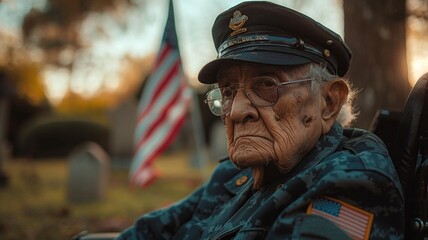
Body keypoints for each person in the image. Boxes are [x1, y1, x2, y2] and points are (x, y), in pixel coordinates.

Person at [117, 1, 404, 239]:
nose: (237, 111)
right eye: (228, 91)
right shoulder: (233, 174)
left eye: (267, 85)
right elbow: (148, 232)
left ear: (328, 103)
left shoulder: (350, 182)